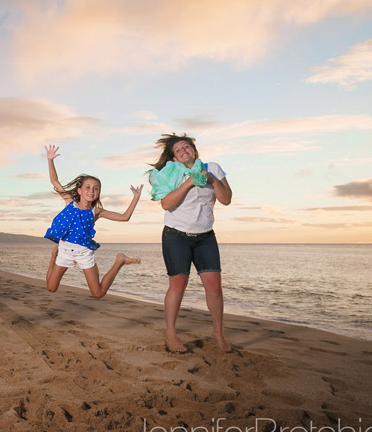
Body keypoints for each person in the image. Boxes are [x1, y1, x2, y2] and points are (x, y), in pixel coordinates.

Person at [148, 133, 232, 353]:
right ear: (174, 158)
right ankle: (171, 334)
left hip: (205, 236)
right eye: (178, 150)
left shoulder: (212, 168)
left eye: (186, 146)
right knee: (178, 285)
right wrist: (189, 182)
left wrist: (211, 180)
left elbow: (226, 199)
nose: (183, 150)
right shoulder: (171, 174)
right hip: (176, 236)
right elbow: (166, 204)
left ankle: (218, 333)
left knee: (214, 286)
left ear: (194, 150)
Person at [44, 145, 142, 297]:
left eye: (96, 189)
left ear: (98, 193)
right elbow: (54, 181)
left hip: (84, 253)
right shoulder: (69, 202)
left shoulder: (96, 212)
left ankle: (120, 261)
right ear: (79, 190)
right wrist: (50, 160)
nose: (91, 191)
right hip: (64, 250)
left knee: (98, 293)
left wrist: (136, 197)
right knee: (51, 288)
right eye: (88, 187)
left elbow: (125, 217)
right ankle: (54, 256)